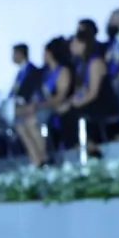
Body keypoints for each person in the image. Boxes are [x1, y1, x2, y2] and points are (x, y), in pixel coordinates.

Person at [12, 37, 75, 167]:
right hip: (40, 106)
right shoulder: (43, 72)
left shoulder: (62, 71)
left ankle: (44, 157)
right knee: (20, 123)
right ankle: (35, 159)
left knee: (31, 121)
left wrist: (38, 105)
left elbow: (60, 97)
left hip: (55, 107)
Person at [61, 29, 119, 158]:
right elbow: (81, 91)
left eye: (74, 43)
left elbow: (93, 93)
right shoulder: (81, 64)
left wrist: (74, 104)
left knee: (72, 113)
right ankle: (81, 146)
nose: (71, 47)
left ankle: (92, 148)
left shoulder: (95, 62)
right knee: (64, 113)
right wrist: (70, 102)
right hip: (90, 101)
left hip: (103, 102)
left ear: (83, 44)